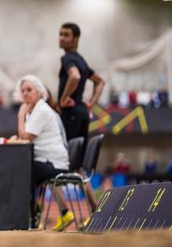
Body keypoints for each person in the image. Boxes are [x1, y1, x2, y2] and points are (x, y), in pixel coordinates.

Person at [10, 75, 73, 231]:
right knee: (23, 168)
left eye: (29, 90)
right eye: (22, 90)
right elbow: (25, 137)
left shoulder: (41, 110)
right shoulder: (34, 111)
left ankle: (32, 217)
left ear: (39, 92)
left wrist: (20, 116)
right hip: (46, 161)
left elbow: (26, 138)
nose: (25, 93)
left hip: (53, 163)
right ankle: (37, 215)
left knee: (23, 171)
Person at [57, 22, 104, 213]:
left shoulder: (68, 58)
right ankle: (96, 211)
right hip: (83, 115)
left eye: (66, 35)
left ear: (76, 39)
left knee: (56, 161)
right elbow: (100, 82)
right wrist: (90, 103)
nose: (61, 38)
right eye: (60, 34)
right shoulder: (81, 59)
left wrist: (62, 99)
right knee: (79, 169)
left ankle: (65, 212)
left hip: (71, 116)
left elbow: (74, 77)